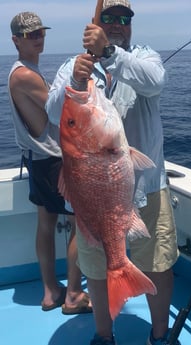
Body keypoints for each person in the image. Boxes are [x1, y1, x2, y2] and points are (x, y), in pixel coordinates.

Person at [46, 1, 181, 344]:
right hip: (94, 194)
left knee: (158, 264)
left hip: (148, 187)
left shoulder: (144, 56)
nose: (118, 24)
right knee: (96, 270)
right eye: (109, 18)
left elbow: (156, 82)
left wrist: (109, 53)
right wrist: (76, 79)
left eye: (125, 19)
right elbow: (52, 112)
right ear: (96, 22)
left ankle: (160, 336)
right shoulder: (73, 67)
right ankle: (104, 337)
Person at [8, 11, 92, 315]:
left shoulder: (23, 70)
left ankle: (49, 292)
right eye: (30, 36)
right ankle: (72, 295)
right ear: (15, 40)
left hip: (36, 159)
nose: (38, 39)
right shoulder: (25, 75)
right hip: (53, 161)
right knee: (77, 224)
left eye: (40, 33)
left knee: (46, 223)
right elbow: (61, 109)